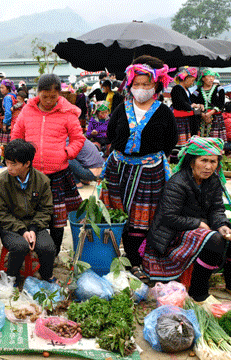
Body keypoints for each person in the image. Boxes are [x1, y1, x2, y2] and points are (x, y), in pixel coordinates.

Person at [143, 137, 231, 305]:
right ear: (192, 162)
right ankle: (198, 292)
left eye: (213, 161)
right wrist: (199, 224)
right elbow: (169, 217)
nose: (208, 166)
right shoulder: (178, 183)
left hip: (198, 226)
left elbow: (217, 209)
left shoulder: (214, 181)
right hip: (172, 233)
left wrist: (222, 225)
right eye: (204, 160)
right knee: (214, 239)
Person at [100, 56, 177, 280]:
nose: (141, 88)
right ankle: (116, 255)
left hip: (150, 171)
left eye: (147, 84)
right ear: (130, 85)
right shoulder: (121, 108)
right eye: (137, 84)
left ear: (156, 86)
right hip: (119, 169)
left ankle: (135, 261)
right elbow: (111, 135)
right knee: (116, 214)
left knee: (140, 219)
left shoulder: (163, 112)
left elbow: (170, 141)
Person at [11, 74, 85, 257]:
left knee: (57, 218)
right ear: (38, 94)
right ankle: (34, 250)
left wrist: (67, 154)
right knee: (33, 214)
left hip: (58, 173)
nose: (49, 101)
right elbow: (16, 135)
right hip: (32, 174)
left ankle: (54, 253)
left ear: (59, 95)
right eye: (45, 96)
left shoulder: (67, 113)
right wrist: (20, 158)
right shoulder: (27, 111)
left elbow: (78, 139)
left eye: (53, 97)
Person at [0, 139, 56, 284]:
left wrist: (33, 229)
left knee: (48, 247)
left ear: (27, 164)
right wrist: (22, 231)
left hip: (35, 226)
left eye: (14, 164)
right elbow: (0, 213)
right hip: (10, 228)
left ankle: (46, 276)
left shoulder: (42, 181)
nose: (9, 167)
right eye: (7, 162)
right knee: (20, 246)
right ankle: (11, 277)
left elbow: (46, 209)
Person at [191, 69, 226, 141]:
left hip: (215, 117)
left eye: (213, 77)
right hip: (201, 118)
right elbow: (192, 102)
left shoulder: (219, 89)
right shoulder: (197, 91)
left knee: (214, 140)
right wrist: (202, 114)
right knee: (200, 139)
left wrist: (210, 113)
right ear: (203, 78)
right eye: (209, 76)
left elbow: (221, 103)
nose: (211, 79)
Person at [171, 67, 199, 146]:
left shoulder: (186, 89)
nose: (192, 83)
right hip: (181, 119)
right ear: (186, 78)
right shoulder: (177, 89)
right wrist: (191, 106)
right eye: (192, 80)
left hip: (187, 118)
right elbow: (179, 103)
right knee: (181, 143)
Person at [0, 79, 17, 145]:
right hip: (14, 121)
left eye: (3, 88)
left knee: (6, 145)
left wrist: (5, 123)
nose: (1, 90)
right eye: (0, 88)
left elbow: (8, 112)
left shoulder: (7, 98)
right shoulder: (13, 96)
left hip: (9, 123)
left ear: (8, 88)